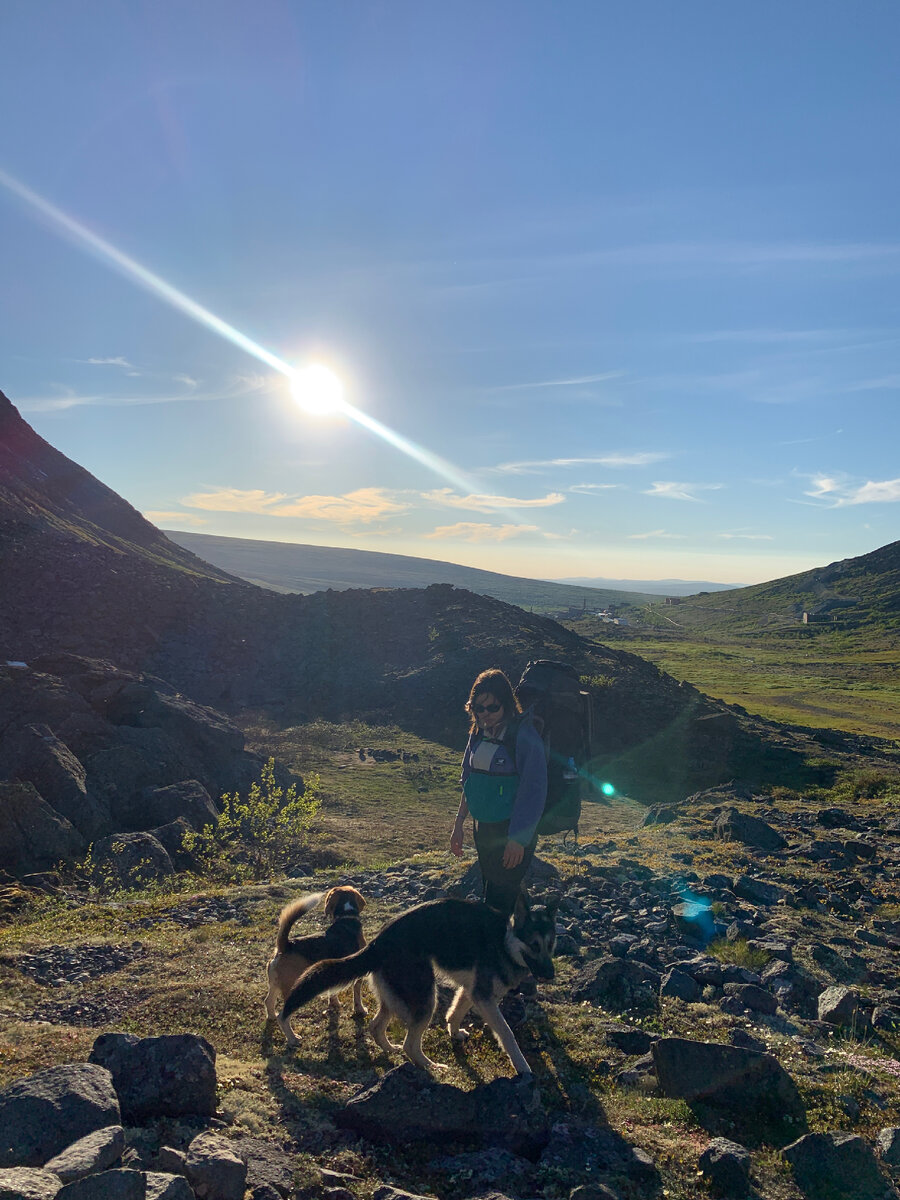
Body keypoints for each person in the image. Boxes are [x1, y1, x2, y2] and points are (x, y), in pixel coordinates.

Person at [450, 667, 547, 917]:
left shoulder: (524, 736)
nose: (485, 714)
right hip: (484, 828)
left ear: (506, 704)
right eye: (478, 708)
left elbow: (533, 792)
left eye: (492, 707)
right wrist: (459, 823)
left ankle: (501, 949)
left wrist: (518, 839)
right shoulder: (478, 733)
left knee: (498, 901)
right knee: (492, 891)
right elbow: (469, 780)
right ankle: (516, 941)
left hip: (511, 830)